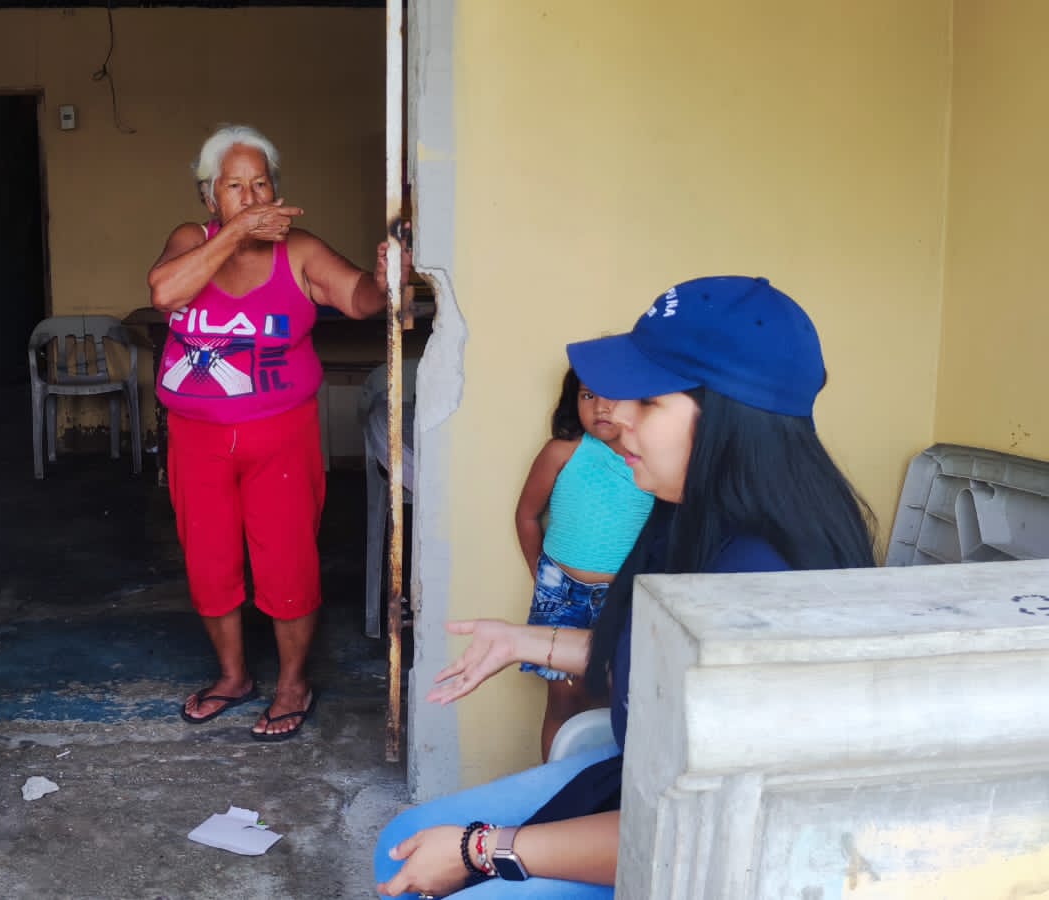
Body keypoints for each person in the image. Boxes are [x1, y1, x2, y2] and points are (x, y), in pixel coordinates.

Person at [374, 276, 876, 897]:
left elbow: (697, 828)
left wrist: (482, 849)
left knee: (438, 874)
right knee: (404, 842)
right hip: (640, 784)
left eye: (649, 402)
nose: (619, 421)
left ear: (728, 421)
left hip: (693, 854)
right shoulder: (685, 513)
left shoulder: (761, 584)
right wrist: (524, 641)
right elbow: (656, 666)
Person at [148, 124, 407, 741]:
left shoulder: (300, 251)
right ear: (210, 197)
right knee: (209, 560)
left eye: (261, 184)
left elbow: (358, 299)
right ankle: (233, 676)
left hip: (281, 437)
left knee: (288, 561)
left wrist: (383, 280)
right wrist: (234, 234)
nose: (252, 196)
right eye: (235, 186)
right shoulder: (190, 241)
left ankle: (293, 684)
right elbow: (164, 292)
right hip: (197, 438)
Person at [513, 368, 652, 760]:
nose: (601, 408)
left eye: (614, 395)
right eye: (588, 395)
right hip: (561, 594)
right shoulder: (563, 452)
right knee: (563, 699)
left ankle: (609, 789)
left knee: (620, 698)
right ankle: (555, 785)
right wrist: (541, 577)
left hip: (626, 598)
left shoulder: (650, 460)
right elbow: (527, 515)